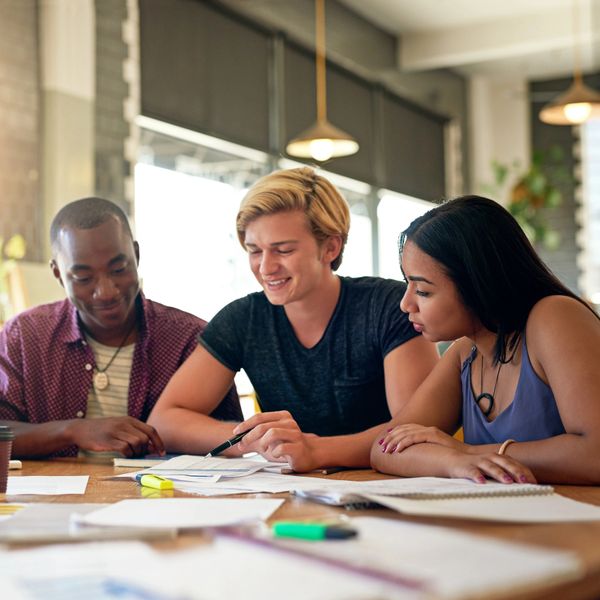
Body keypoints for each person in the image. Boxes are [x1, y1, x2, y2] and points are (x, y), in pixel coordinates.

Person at [148, 167, 439, 471]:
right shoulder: (243, 320)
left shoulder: (390, 307)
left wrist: (316, 451)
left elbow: (414, 431)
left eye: (283, 250)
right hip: (294, 490)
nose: (265, 267)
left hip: (388, 485)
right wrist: (254, 438)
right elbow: (165, 422)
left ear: (330, 247)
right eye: (254, 251)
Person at [371, 195, 600, 485]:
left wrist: (469, 450)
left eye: (423, 291)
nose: (406, 304)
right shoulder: (465, 353)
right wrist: (455, 462)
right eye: (408, 285)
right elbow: (384, 449)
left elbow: (596, 453)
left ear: (477, 283)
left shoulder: (554, 317)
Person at [0, 197, 241, 458]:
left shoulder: (189, 339)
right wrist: (72, 430)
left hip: (161, 497)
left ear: (136, 255)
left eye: (118, 269)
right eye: (83, 278)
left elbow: (231, 445)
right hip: (47, 499)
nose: (105, 291)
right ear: (58, 273)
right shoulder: (25, 336)